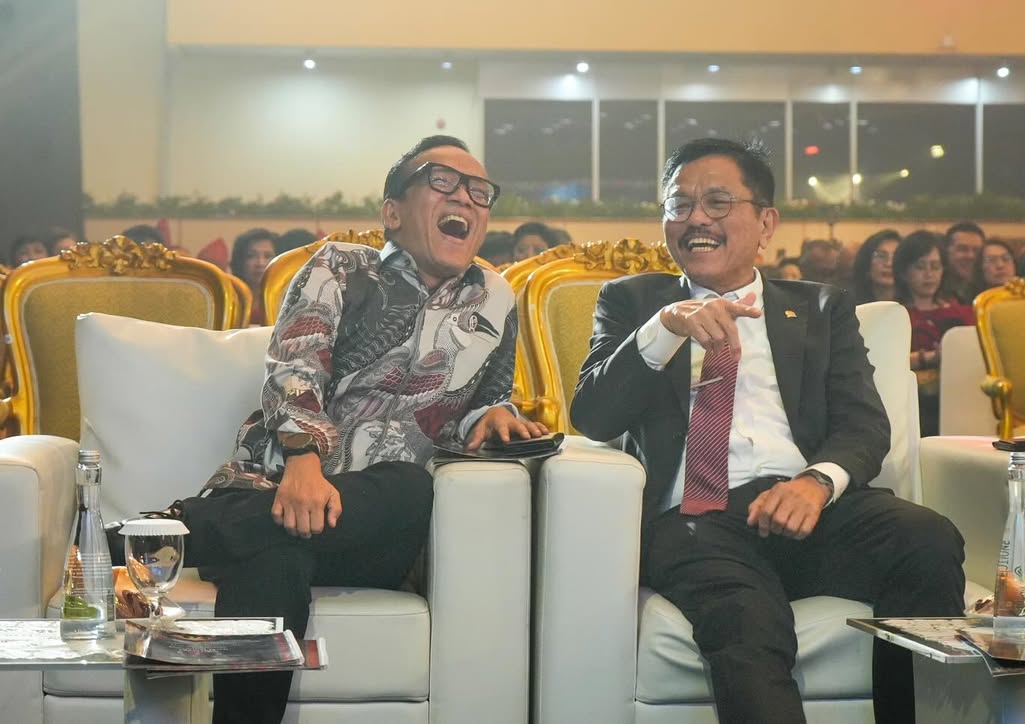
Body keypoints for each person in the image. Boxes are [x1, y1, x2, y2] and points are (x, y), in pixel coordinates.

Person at [108, 135, 546, 724]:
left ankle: (183, 531)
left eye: (479, 191)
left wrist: (494, 415)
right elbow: (296, 365)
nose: (465, 198)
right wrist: (303, 463)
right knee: (274, 560)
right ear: (392, 212)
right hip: (277, 491)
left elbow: (485, 399)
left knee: (411, 486)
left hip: (377, 528)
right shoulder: (340, 265)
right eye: (442, 182)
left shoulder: (496, 297)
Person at [571, 138, 964, 724]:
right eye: (679, 204)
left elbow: (863, 424)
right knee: (746, 619)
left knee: (927, 538)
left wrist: (815, 484)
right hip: (698, 521)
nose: (696, 218)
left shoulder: (822, 308)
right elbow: (593, 416)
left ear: (766, 223)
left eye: (718, 202)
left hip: (809, 507)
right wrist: (664, 329)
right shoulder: (634, 302)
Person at [893, 230, 974, 437]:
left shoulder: (961, 313)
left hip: (961, 397)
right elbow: (886, 362)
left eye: (935, 266)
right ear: (903, 271)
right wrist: (928, 357)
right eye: (920, 267)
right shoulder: (894, 314)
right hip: (911, 405)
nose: (929, 274)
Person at [231, 228, 280, 324]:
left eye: (268, 256)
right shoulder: (230, 298)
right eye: (251, 256)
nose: (260, 263)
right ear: (240, 261)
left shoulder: (287, 300)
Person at [850, 228, 901, 304]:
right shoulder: (848, 305)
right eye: (881, 256)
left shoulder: (912, 307)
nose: (889, 263)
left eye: (896, 256)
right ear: (866, 260)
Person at [941, 221, 985, 304]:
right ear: (946, 251)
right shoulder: (934, 292)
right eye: (962, 249)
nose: (970, 256)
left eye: (976, 250)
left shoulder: (986, 292)